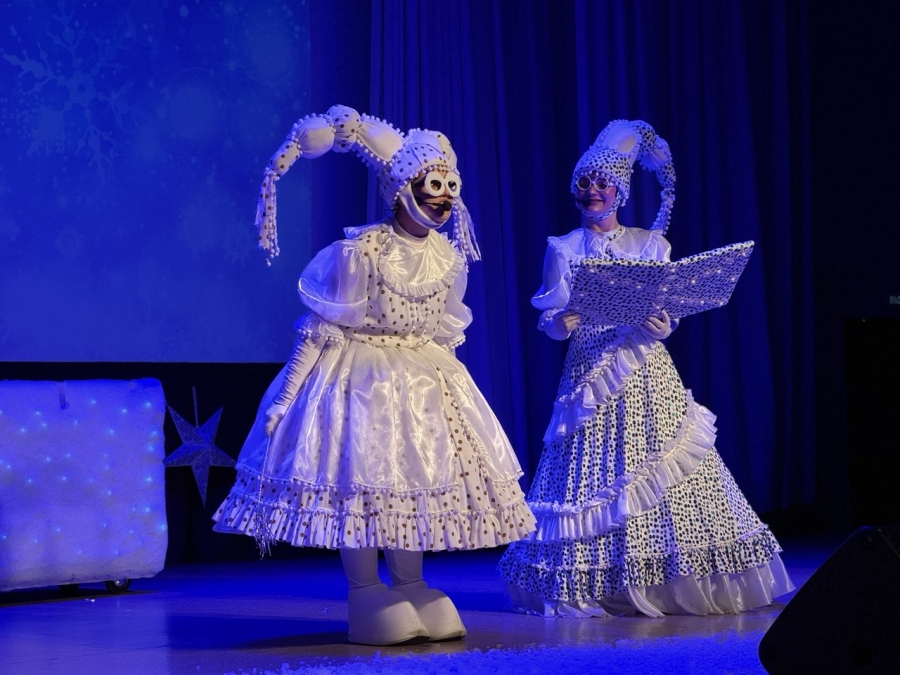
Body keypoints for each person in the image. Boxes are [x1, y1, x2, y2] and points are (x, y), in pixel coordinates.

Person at [213, 105, 536, 645]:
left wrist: (456, 399)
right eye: (432, 184)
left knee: (412, 481)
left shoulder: (448, 257)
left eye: (449, 185)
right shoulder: (361, 251)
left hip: (423, 384)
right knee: (361, 481)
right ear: (402, 187)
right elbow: (320, 330)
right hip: (360, 381)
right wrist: (286, 396)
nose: (442, 196)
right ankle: (364, 589)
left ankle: (411, 582)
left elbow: (444, 331)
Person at [498, 119, 794, 618]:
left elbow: (665, 307)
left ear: (620, 190)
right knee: (590, 473)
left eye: (603, 182)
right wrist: (559, 323)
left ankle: (666, 579)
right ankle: (597, 578)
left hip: (643, 368)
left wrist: (663, 324)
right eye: (585, 182)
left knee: (656, 463)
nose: (593, 190)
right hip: (590, 372)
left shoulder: (649, 245)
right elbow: (549, 316)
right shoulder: (564, 247)